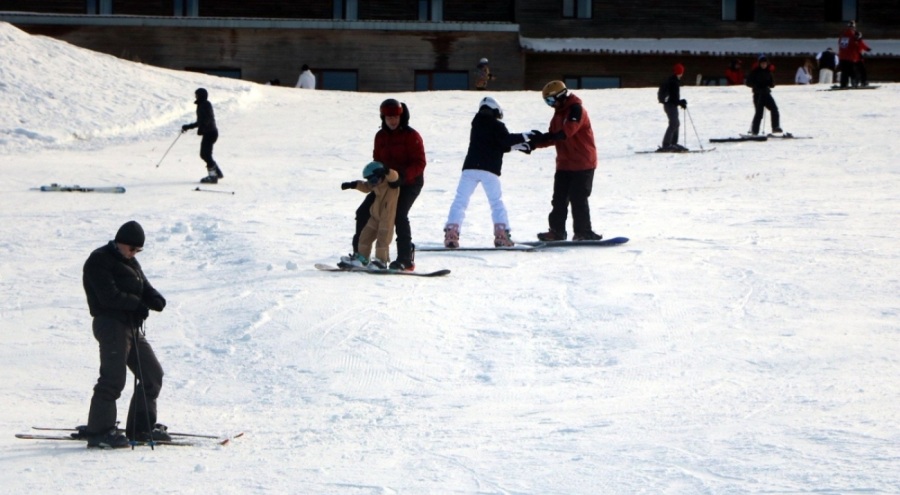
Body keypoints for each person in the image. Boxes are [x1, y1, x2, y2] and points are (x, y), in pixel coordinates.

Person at [80, 221, 168, 448]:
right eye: (131, 249)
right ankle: (100, 432)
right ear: (119, 242)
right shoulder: (99, 260)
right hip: (110, 325)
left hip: (130, 326)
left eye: (138, 251)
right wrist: (136, 304)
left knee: (151, 374)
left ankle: (140, 426)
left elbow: (143, 285)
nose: (133, 254)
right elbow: (108, 296)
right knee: (113, 378)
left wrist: (154, 299)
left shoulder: (129, 261)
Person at [443, 96, 540, 248]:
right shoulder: (497, 126)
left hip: (470, 168)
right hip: (489, 169)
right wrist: (527, 135)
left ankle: (451, 234)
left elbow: (499, 144)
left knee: (460, 201)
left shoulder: (476, 124)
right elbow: (505, 140)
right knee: (496, 202)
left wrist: (520, 146)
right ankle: (501, 235)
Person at [352, 99, 426, 271]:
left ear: (401, 117)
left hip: (410, 182)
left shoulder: (411, 136)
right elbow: (377, 160)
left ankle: (405, 259)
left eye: (395, 117)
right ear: (383, 118)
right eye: (388, 118)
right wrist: (375, 176)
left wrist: (403, 177)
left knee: (399, 214)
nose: (392, 121)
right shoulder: (380, 137)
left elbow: (420, 163)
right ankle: (360, 255)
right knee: (363, 212)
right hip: (386, 184)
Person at [527, 80, 602, 242]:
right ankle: (557, 231)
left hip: (583, 163)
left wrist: (545, 137)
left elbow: (566, 132)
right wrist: (533, 143)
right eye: (547, 102)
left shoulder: (576, 110)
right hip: (564, 163)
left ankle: (583, 232)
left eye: (551, 100)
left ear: (561, 96)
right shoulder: (558, 114)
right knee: (559, 200)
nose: (550, 105)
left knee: (578, 198)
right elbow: (553, 137)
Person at [340, 162, 401, 269]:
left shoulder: (391, 185)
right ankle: (362, 259)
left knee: (383, 240)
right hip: (375, 216)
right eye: (370, 180)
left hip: (386, 218)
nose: (372, 183)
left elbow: (394, 176)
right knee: (364, 237)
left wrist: (386, 170)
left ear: (381, 175)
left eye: (373, 180)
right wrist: (352, 185)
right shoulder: (375, 185)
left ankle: (381, 262)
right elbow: (365, 186)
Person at [181, 88, 223, 184]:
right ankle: (217, 173)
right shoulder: (202, 105)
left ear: (201, 95)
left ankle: (213, 176)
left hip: (210, 132)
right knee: (205, 154)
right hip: (210, 132)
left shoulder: (205, 105)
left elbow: (207, 119)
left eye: (197, 95)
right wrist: (188, 127)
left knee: (205, 154)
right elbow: (200, 122)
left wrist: (202, 128)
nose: (196, 96)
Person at [746, 55, 782, 136]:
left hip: (766, 94)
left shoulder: (768, 72)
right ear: (759, 64)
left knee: (774, 109)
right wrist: (756, 86)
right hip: (758, 95)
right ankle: (754, 131)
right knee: (759, 113)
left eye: (765, 63)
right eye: (762, 63)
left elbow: (772, 83)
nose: (764, 65)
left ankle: (775, 127)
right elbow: (748, 82)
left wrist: (770, 84)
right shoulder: (755, 72)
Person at [657, 63, 688, 152]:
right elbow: (674, 98)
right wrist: (681, 102)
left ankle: (673, 143)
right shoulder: (674, 82)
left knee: (676, 123)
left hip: (670, 105)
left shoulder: (672, 80)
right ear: (680, 72)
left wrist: (680, 102)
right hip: (671, 106)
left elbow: (673, 98)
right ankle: (666, 144)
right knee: (674, 123)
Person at [837, 21, 859, 89]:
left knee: (844, 72)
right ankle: (854, 83)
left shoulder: (843, 34)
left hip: (842, 56)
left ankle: (843, 84)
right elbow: (854, 45)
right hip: (850, 57)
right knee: (852, 71)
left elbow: (839, 43)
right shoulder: (853, 34)